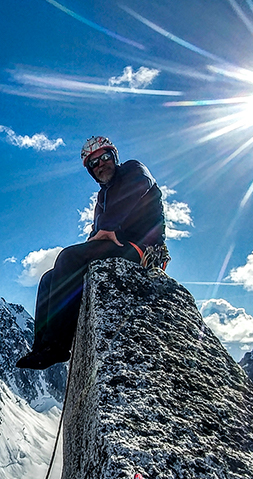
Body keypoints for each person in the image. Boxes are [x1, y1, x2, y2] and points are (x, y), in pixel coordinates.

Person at [16, 136, 166, 370]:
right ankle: (41, 347)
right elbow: (97, 234)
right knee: (49, 278)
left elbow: (137, 188)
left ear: (115, 157)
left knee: (68, 257)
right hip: (120, 247)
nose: (100, 165)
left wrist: (109, 225)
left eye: (105, 157)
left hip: (143, 248)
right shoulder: (102, 197)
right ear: (90, 171)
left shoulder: (133, 170)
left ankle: (57, 347)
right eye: (93, 163)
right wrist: (94, 240)